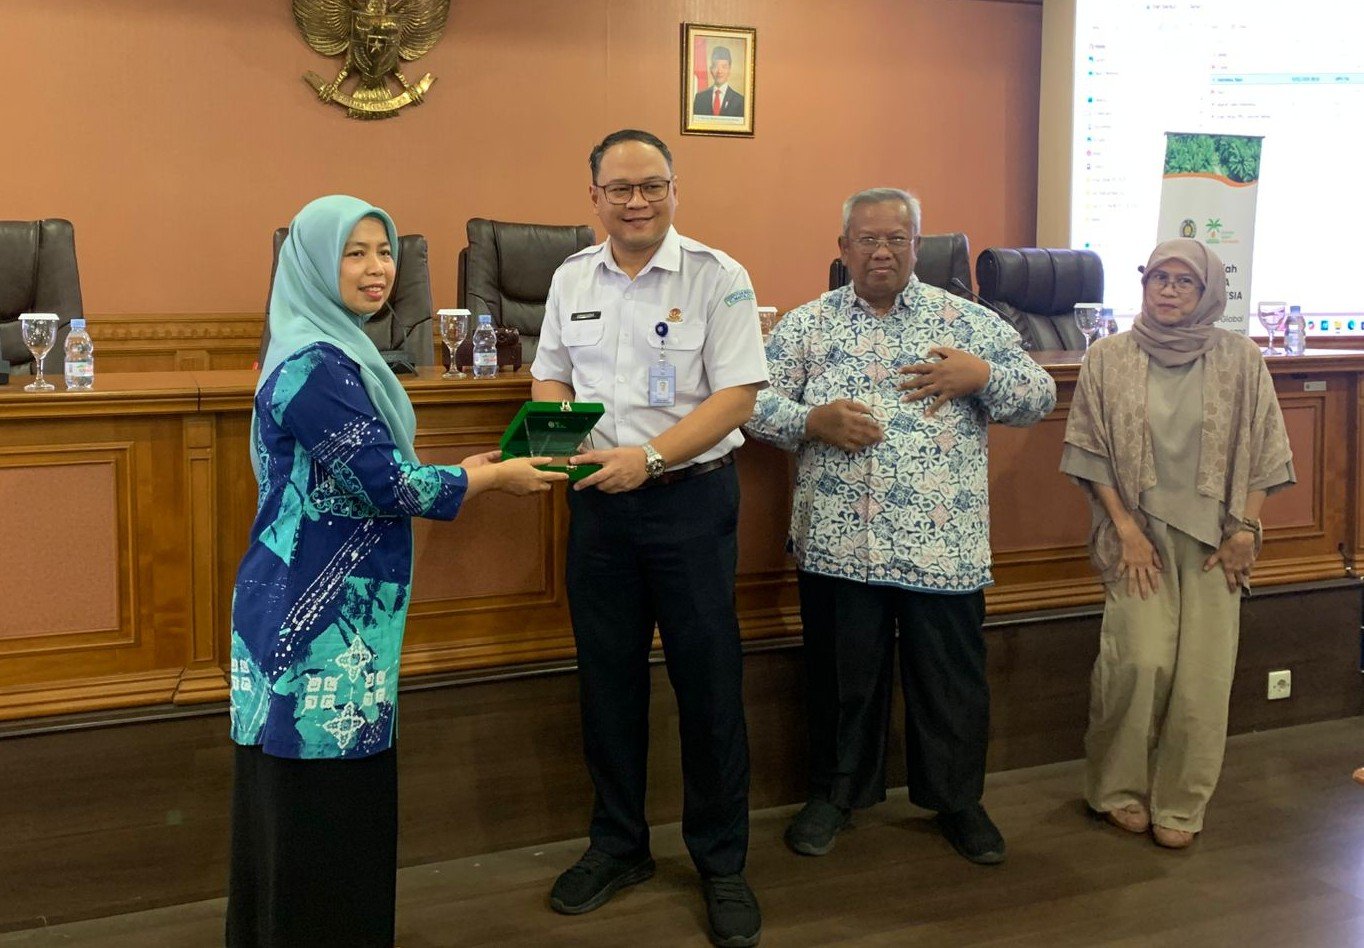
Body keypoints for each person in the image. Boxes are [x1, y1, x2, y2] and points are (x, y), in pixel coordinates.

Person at [226, 194, 565, 947]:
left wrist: (463, 470)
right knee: (322, 800)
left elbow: (364, 473)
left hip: (319, 601)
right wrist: (487, 479)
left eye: (384, 251)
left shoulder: (331, 348)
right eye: (354, 253)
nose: (376, 268)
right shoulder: (315, 365)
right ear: (312, 265)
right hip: (314, 617)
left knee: (311, 800)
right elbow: (387, 485)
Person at [744, 188, 1056, 866]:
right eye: (867, 239)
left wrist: (983, 376)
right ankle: (835, 796)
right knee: (841, 680)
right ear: (843, 248)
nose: (881, 251)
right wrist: (810, 420)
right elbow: (749, 402)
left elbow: (1039, 396)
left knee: (950, 682)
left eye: (896, 238)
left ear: (918, 245)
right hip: (839, 543)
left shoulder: (967, 321)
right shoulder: (807, 325)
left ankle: (958, 801)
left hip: (943, 547)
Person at [531, 129, 768, 947]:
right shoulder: (571, 277)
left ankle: (722, 863)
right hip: (599, 506)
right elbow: (550, 372)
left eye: (653, 186)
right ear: (594, 197)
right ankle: (619, 845)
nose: (638, 202)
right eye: (621, 189)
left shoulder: (717, 276)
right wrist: (563, 440)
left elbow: (738, 396)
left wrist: (652, 457)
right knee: (607, 681)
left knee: (708, 685)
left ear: (674, 190)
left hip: (689, 502)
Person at [1062, 237, 1294, 849]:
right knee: (1137, 662)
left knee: (1203, 677)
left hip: (1218, 539)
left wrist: (1246, 529)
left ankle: (1181, 804)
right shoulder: (1107, 357)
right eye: (1158, 278)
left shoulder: (1241, 358)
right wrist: (1126, 531)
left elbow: (1267, 451)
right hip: (1138, 537)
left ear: (1208, 291)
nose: (1168, 290)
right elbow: (1088, 451)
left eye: (1184, 280)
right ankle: (1116, 789)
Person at [692, 46, 745, 118]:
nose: (719, 71)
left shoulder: (739, 101)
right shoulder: (700, 98)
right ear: (711, 69)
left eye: (724, 67)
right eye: (716, 66)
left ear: (729, 70)